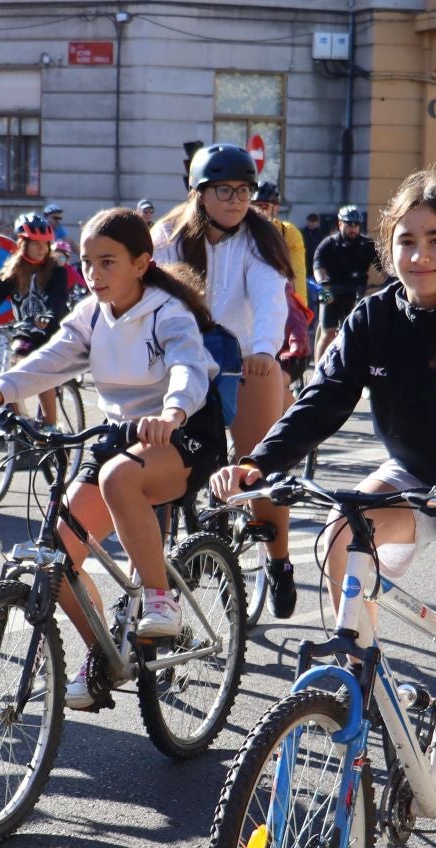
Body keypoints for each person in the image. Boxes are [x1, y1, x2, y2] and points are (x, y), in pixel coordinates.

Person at [211, 170, 436, 848]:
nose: (421, 254)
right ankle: (364, 676)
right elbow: (324, 398)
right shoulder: (372, 317)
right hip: (414, 473)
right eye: (408, 240)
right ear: (387, 247)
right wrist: (259, 463)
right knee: (340, 533)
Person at [0, 207, 222, 709]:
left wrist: (171, 411)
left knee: (120, 477)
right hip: (116, 435)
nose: (94, 275)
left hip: (183, 433)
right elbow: (49, 361)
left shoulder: (168, 312)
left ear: (142, 262)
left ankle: (160, 600)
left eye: (108, 263)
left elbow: (189, 367)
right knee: (57, 560)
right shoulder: (90, 314)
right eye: (86, 263)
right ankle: (103, 656)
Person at [155, 143, 297, 617]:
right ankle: (159, 578)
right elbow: (145, 290)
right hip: (183, 360)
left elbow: (270, 297)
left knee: (261, 464)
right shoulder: (168, 236)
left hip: (246, 362)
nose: (237, 200)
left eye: (244, 190)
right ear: (199, 194)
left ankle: (278, 559)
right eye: (223, 190)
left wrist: (263, 350)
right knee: (159, 459)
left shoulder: (260, 239)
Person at [0, 213, 74, 425]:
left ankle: (50, 426)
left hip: (53, 329)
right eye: (36, 244)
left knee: (42, 370)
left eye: (45, 244)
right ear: (23, 244)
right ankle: (19, 424)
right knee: (14, 363)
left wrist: (49, 315)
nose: (42, 249)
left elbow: (57, 298)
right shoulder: (14, 269)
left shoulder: (56, 269)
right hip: (26, 330)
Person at [312, 205, 381, 359]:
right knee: (328, 333)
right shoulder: (328, 244)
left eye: (356, 225)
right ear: (340, 224)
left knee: (357, 333)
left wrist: (391, 278)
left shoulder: (367, 245)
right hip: (331, 291)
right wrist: (322, 282)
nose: (353, 229)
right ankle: (318, 371)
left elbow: (382, 266)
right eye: (349, 224)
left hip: (357, 293)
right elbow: (318, 267)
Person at [252, 181, 307, 312]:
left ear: (275, 208)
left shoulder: (287, 233)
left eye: (263, 206)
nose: (257, 211)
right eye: (253, 206)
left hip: (276, 300)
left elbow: (297, 274)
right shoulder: (239, 231)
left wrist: (300, 312)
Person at [300, 211, 329, 277]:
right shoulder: (302, 233)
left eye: (313, 222)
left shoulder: (320, 234)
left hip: (315, 259)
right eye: (310, 222)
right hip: (304, 260)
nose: (311, 224)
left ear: (317, 223)